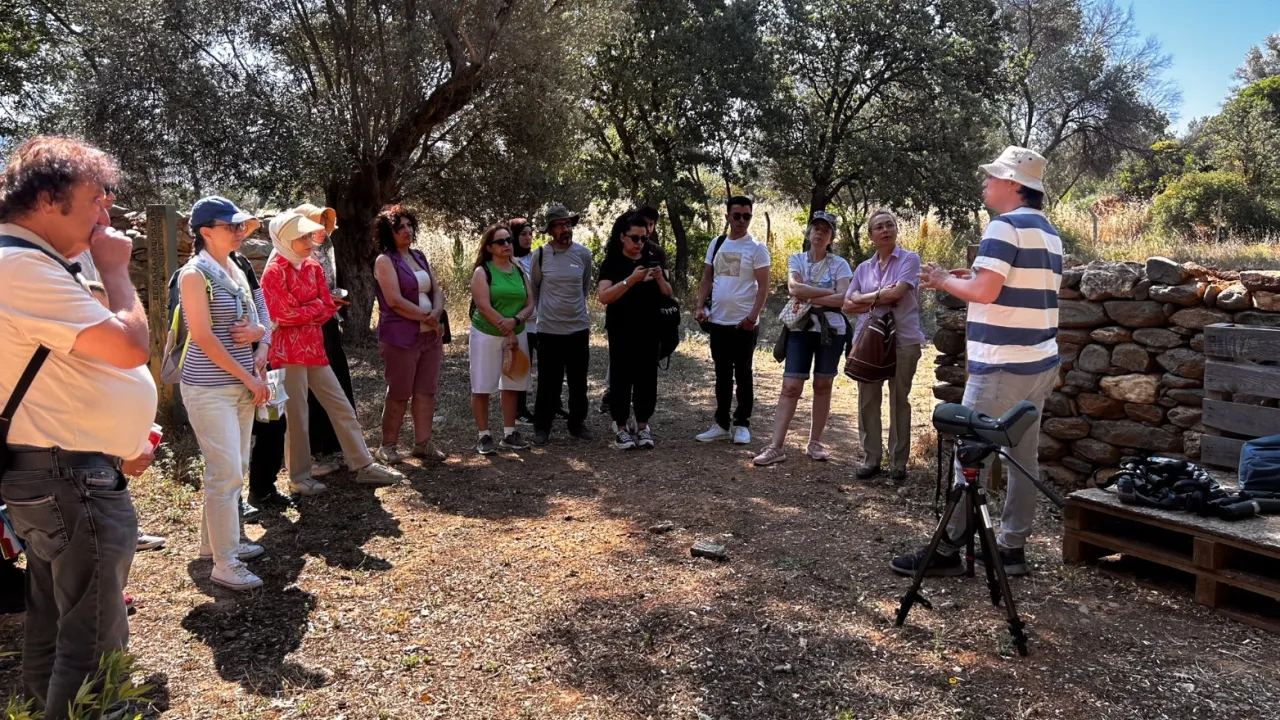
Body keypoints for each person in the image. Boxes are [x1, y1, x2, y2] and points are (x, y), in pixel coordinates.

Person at [0, 136, 157, 719]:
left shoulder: (31, 263)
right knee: (91, 641)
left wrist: (122, 437)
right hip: (70, 481)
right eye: (96, 198)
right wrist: (115, 270)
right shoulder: (19, 267)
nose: (105, 213)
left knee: (55, 625)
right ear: (46, 199)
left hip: (58, 474)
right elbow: (129, 345)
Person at [891, 146, 1062, 579]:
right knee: (1023, 457)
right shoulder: (1047, 231)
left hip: (1002, 365)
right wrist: (964, 279)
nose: (985, 182)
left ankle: (949, 548)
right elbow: (1009, 286)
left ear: (1013, 184)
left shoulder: (1004, 226)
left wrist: (944, 280)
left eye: (992, 176)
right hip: (1040, 362)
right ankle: (1011, 548)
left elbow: (985, 292)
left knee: (969, 457)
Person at [260, 212, 403, 494]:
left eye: (308, 235)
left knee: (341, 405)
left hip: (314, 348)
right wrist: (313, 309)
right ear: (285, 239)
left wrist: (307, 310)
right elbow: (283, 314)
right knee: (296, 415)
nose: (309, 241)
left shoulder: (312, 266)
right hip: (287, 353)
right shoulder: (274, 271)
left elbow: (326, 306)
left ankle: (363, 464)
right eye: (302, 237)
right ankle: (299, 477)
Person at [177, 196, 273, 590]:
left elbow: (258, 316)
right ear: (205, 232)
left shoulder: (235, 267)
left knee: (234, 466)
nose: (239, 232)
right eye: (230, 226)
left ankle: (213, 545)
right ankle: (225, 562)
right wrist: (250, 379)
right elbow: (203, 337)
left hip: (240, 384)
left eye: (240, 226)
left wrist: (261, 340)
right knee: (226, 472)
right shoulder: (193, 274)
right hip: (209, 388)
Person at [752, 211, 851, 466]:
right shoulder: (796, 259)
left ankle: (815, 442)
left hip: (831, 331)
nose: (819, 233)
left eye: (825, 230)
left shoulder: (840, 264)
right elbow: (793, 288)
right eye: (816, 228)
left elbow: (843, 298)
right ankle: (776, 446)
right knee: (790, 386)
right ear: (809, 232)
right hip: (800, 329)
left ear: (831, 237)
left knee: (823, 384)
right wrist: (827, 292)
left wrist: (808, 294)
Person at [844, 209, 926, 481]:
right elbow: (847, 304)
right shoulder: (862, 268)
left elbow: (897, 293)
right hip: (869, 344)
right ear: (870, 236)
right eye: (879, 227)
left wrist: (863, 297)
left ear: (896, 230)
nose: (885, 230)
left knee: (899, 400)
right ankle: (871, 459)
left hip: (904, 340)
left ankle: (898, 463)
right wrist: (879, 295)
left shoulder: (910, 259)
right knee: (867, 400)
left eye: (889, 225)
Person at [693, 196, 771, 445]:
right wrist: (700, 306)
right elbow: (707, 278)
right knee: (722, 374)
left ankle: (742, 424)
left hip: (743, 323)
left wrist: (752, 318)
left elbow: (763, 287)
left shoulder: (757, 248)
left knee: (744, 373)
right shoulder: (716, 244)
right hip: (718, 322)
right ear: (727, 216)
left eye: (746, 216)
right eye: (737, 215)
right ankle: (721, 424)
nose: (741, 221)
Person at [372, 205, 445, 462]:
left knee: (426, 390)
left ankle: (423, 444)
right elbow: (394, 300)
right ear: (388, 233)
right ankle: (388, 446)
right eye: (399, 227)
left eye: (409, 225)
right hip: (400, 338)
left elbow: (437, 290)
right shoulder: (384, 260)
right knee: (399, 391)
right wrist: (426, 317)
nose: (407, 230)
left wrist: (437, 312)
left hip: (430, 336)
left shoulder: (419, 256)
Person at [597, 211, 672, 450]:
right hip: (621, 329)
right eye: (635, 238)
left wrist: (659, 278)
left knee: (646, 378)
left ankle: (643, 425)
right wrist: (631, 280)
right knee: (621, 377)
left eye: (644, 238)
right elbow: (603, 297)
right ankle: (621, 427)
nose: (640, 243)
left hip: (650, 328)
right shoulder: (612, 262)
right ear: (623, 237)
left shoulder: (652, 257)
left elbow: (668, 293)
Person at [530, 203, 595, 446]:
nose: (565, 229)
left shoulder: (583, 253)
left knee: (578, 381)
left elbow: (584, 287)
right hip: (549, 330)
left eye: (567, 224)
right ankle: (542, 426)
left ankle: (577, 423)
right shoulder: (540, 254)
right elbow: (535, 289)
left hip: (578, 328)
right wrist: (545, 314)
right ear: (550, 230)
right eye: (559, 225)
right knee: (549, 382)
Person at [295, 203, 351, 477]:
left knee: (336, 381)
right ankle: (316, 451)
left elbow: (326, 286)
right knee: (313, 390)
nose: (321, 229)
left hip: (328, 322)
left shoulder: (323, 250)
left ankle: (335, 446)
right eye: (316, 223)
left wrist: (332, 300)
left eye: (324, 224)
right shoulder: (295, 255)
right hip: (308, 327)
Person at [468, 223, 534, 454]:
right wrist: (508, 330)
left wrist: (515, 321)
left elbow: (530, 303)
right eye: (500, 241)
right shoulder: (482, 272)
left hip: (517, 332)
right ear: (489, 247)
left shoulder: (519, 270)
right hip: (487, 334)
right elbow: (483, 306)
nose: (506, 244)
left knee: (512, 383)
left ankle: (509, 433)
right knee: (482, 385)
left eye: (509, 240)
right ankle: (484, 435)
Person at [511, 217, 538, 425]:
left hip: (541, 321)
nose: (528, 238)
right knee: (522, 365)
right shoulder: (510, 261)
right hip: (522, 322)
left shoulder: (536, 257)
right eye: (523, 234)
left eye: (530, 234)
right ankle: (519, 410)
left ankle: (552, 405)